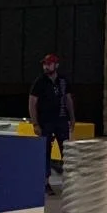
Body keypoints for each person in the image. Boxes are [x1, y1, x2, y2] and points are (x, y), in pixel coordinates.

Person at [29, 54, 75, 195]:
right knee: (45, 152)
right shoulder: (40, 82)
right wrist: (35, 123)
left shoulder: (63, 81)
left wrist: (72, 118)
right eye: (45, 64)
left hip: (61, 120)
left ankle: (69, 183)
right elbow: (32, 102)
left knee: (66, 152)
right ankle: (45, 182)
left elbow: (68, 99)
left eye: (49, 64)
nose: (46, 67)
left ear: (56, 65)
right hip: (45, 122)